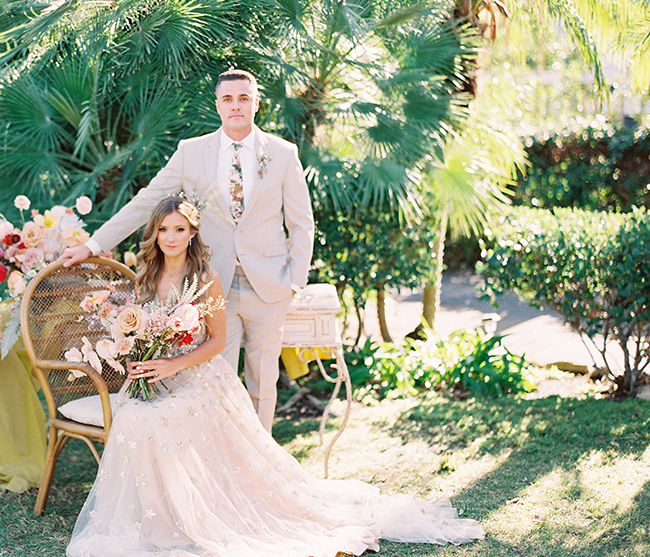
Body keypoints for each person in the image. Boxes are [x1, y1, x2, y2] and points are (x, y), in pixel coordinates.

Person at [66, 197, 484, 557]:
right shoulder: (147, 277)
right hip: (158, 376)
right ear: (154, 234)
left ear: (193, 233)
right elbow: (139, 332)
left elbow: (216, 342)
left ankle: (184, 518)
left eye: (179, 229)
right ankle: (155, 515)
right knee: (134, 417)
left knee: (155, 419)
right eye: (163, 229)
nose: (171, 237)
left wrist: (173, 365)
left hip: (197, 378)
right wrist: (139, 359)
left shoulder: (206, 278)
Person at [63, 69, 314, 432]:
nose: (236, 106)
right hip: (211, 287)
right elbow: (146, 201)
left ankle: (260, 465)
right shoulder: (191, 152)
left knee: (263, 382)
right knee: (215, 385)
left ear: (256, 103)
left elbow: (302, 222)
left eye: (244, 98)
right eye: (228, 99)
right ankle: (222, 464)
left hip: (269, 285)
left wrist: (296, 281)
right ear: (217, 105)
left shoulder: (282, 153)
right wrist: (93, 244)